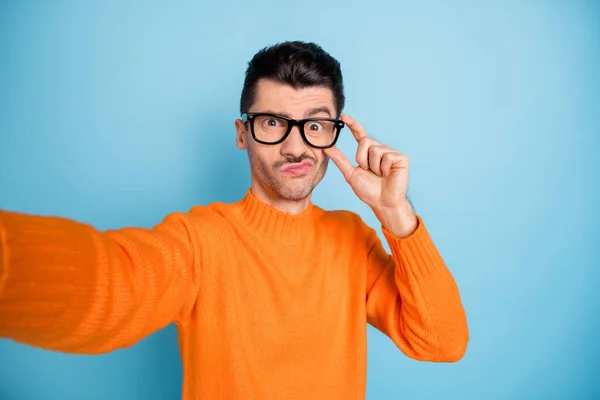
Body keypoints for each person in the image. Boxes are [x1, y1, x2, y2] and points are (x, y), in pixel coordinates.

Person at [0, 41, 469, 399]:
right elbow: (110, 285)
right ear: (243, 134)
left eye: (316, 124)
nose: (296, 145)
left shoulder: (353, 239)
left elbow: (442, 342)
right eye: (272, 122)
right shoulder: (199, 241)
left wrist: (395, 215)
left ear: (334, 134)